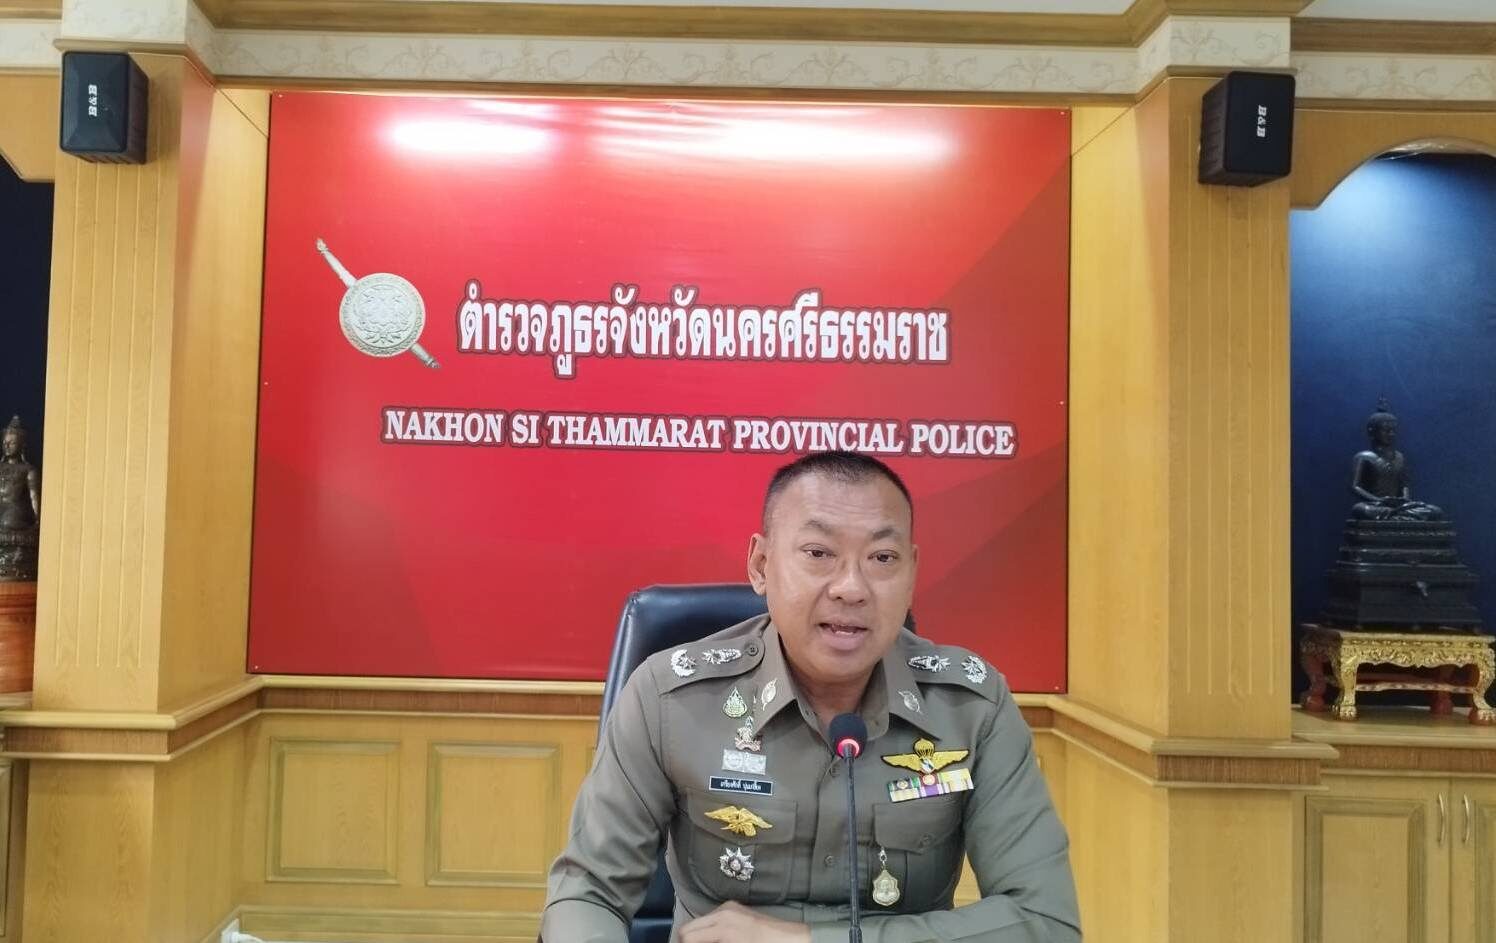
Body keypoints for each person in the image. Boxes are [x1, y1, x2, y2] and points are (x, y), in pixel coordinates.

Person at [543, 451, 1080, 942]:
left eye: (883, 558)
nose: (852, 587)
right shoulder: (668, 698)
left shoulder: (971, 708)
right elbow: (587, 894)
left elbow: (1045, 920)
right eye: (819, 553)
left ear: (912, 573)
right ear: (760, 565)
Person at [1349, 399, 1443, 522]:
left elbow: (1404, 485)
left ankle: (1395, 516)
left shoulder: (1400, 457)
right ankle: (1401, 518)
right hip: (1376, 504)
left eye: (1393, 430)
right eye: (1385, 430)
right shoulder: (1363, 457)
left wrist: (1404, 500)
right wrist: (1379, 500)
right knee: (1360, 509)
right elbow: (1356, 487)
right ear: (1371, 431)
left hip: (1399, 506)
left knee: (1435, 511)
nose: (1391, 434)